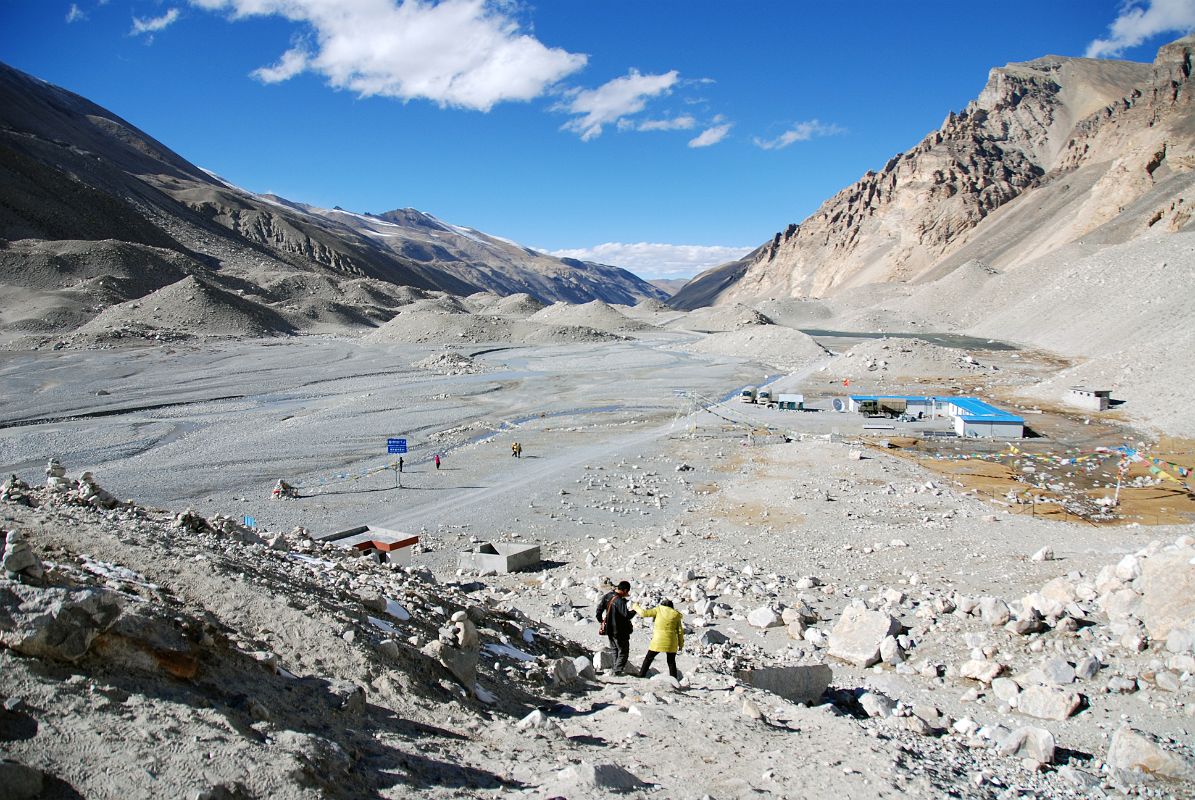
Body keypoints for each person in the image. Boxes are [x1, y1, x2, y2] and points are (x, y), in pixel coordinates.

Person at [632, 599, 684, 680]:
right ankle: (674, 680)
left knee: (649, 658)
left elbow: (643, 613)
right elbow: (680, 631)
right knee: (671, 661)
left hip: (658, 640)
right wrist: (681, 644)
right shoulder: (676, 614)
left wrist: (636, 606)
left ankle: (641, 674)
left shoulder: (658, 609)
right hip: (671, 641)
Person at [595, 580, 636, 675]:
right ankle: (617, 671)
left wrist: (601, 621)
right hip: (620, 630)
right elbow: (626, 615)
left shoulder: (608, 596)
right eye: (627, 592)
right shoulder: (619, 601)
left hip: (609, 629)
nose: (627, 594)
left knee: (614, 649)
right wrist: (635, 610)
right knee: (623, 651)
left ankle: (615, 668)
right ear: (625, 590)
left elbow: (599, 610)